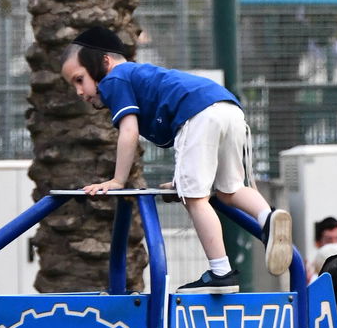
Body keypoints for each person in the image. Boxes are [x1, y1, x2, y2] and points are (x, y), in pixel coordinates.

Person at [61, 25, 293, 291]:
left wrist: (117, 180)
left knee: (195, 199)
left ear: (104, 62)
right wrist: (181, 179)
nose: (79, 91)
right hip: (228, 108)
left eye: (79, 80)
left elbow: (129, 131)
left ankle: (221, 272)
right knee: (231, 189)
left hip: (198, 114)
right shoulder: (140, 74)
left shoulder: (115, 79)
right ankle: (268, 218)